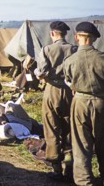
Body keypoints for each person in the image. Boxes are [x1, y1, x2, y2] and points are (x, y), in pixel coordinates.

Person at [34, 21, 77, 182]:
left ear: (52, 33)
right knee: (70, 129)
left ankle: (56, 169)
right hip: (69, 91)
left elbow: (42, 72)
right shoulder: (74, 49)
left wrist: (36, 72)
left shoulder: (47, 49)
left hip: (51, 91)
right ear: (65, 34)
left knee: (51, 129)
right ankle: (70, 167)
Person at [63, 22, 104, 186]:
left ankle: (84, 181)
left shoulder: (70, 60)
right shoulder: (102, 58)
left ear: (76, 37)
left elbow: (68, 81)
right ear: (93, 39)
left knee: (81, 144)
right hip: (102, 101)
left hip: (80, 102)